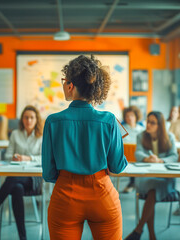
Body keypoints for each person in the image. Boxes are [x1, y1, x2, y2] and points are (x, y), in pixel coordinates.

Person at [42, 55, 128, 240]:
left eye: (64, 82)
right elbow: (117, 167)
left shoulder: (52, 121)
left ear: (70, 85)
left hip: (65, 197)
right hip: (102, 195)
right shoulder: (109, 121)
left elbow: (49, 174)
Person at [0, 105, 43, 240]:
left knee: (11, 180)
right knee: (16, 187)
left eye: (31, 118)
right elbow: (7, 155)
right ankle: (23, 237)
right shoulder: (16, 134)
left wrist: (28, 158)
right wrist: (14, 157)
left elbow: (45, 157)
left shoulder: (41, 136)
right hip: (17, 177)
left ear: (36, 120)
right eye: (26, 117)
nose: (28, 120)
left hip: (34, 179)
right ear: (22, 119)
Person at [125, 111, 178, 240]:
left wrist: (161, 160)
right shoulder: (141, 136)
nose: (148, 124)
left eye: (152, 122)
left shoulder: (169, 137)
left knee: (152, 192)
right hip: (146, 178)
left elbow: (174, 156)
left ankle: (139, 230)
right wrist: (148, 158)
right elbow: (138, 154)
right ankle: (149, 235)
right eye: (148, 121)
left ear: (160, 125)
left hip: (165, 179)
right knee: (152, 190)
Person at [122, 106, 145, 193]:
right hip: (126, 156)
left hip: (139, 156)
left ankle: (133, 183)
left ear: (136, 116)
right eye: (127, 116)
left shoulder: (142, 130)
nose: (129, 118)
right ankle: (132, 183)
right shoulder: (121, 129)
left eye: (131, 115)